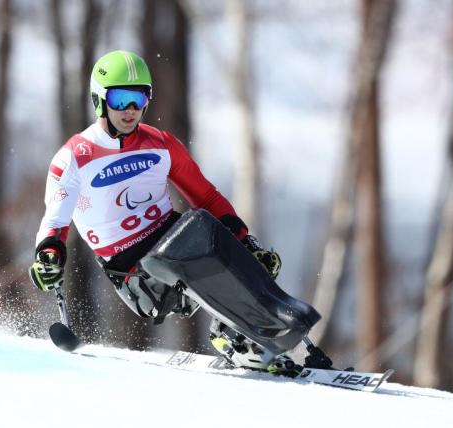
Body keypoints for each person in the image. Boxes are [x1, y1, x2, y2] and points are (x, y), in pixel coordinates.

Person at [30, 50, 284, 371]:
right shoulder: (74, 157)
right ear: (100, 99)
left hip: (175, 239)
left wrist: (245, 242)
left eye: (140, 98)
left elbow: (205, 196)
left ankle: (273, 333)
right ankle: (233, 332)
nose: (131, 110)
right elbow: (56, 217)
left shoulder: (161, 143)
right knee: (199, 241)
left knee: (233, 246)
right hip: (134, 271)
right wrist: (48, 253)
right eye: (121, 99)